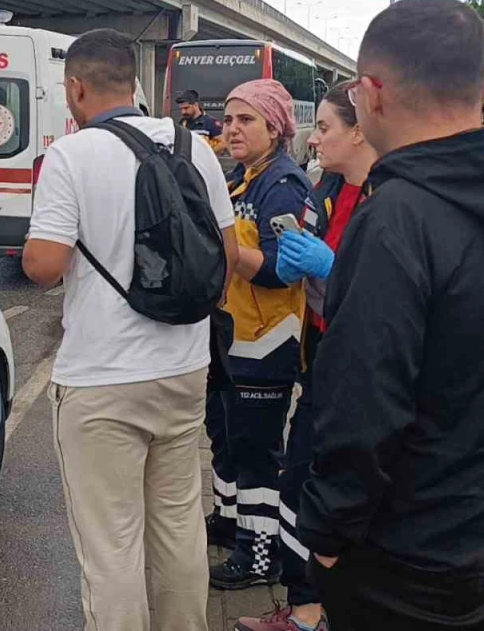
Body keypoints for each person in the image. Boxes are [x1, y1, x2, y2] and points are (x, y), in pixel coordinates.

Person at [297, 0, 484, 631]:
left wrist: (329, 532)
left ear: (370, 94)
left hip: (405, 561)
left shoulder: (398, 216)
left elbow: (363, 398)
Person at [22, 28, 237, 631]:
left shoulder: (72, 155)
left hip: (101, 381)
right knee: (177, 528)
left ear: (77, 87)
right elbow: (223, 255)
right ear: (136, 83)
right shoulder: (196, 148)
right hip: (184, 368)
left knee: (111, 545)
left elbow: (42, 267)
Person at [234, 82, 377, 631]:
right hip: (322, 347)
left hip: (356, 364)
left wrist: (330, 268)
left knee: (309, 479)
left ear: (359, 130)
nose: (312, 139)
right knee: (299, 476)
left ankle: (312, 609)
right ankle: (306, 607)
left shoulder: (386, 199)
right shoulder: (330, 190)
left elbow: (390, 297)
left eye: (323, 128)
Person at [207, 79, 312, 591]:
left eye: (245, 120)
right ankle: (230, 524)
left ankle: (258, 555)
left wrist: (224, 247)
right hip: (233, 337)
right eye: (228, 120)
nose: (232, 129)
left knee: (257, 452)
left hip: (268, 343)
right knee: (225, 438)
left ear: (275, 127)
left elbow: (280, 271)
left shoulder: (284, 183)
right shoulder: (242, 177)